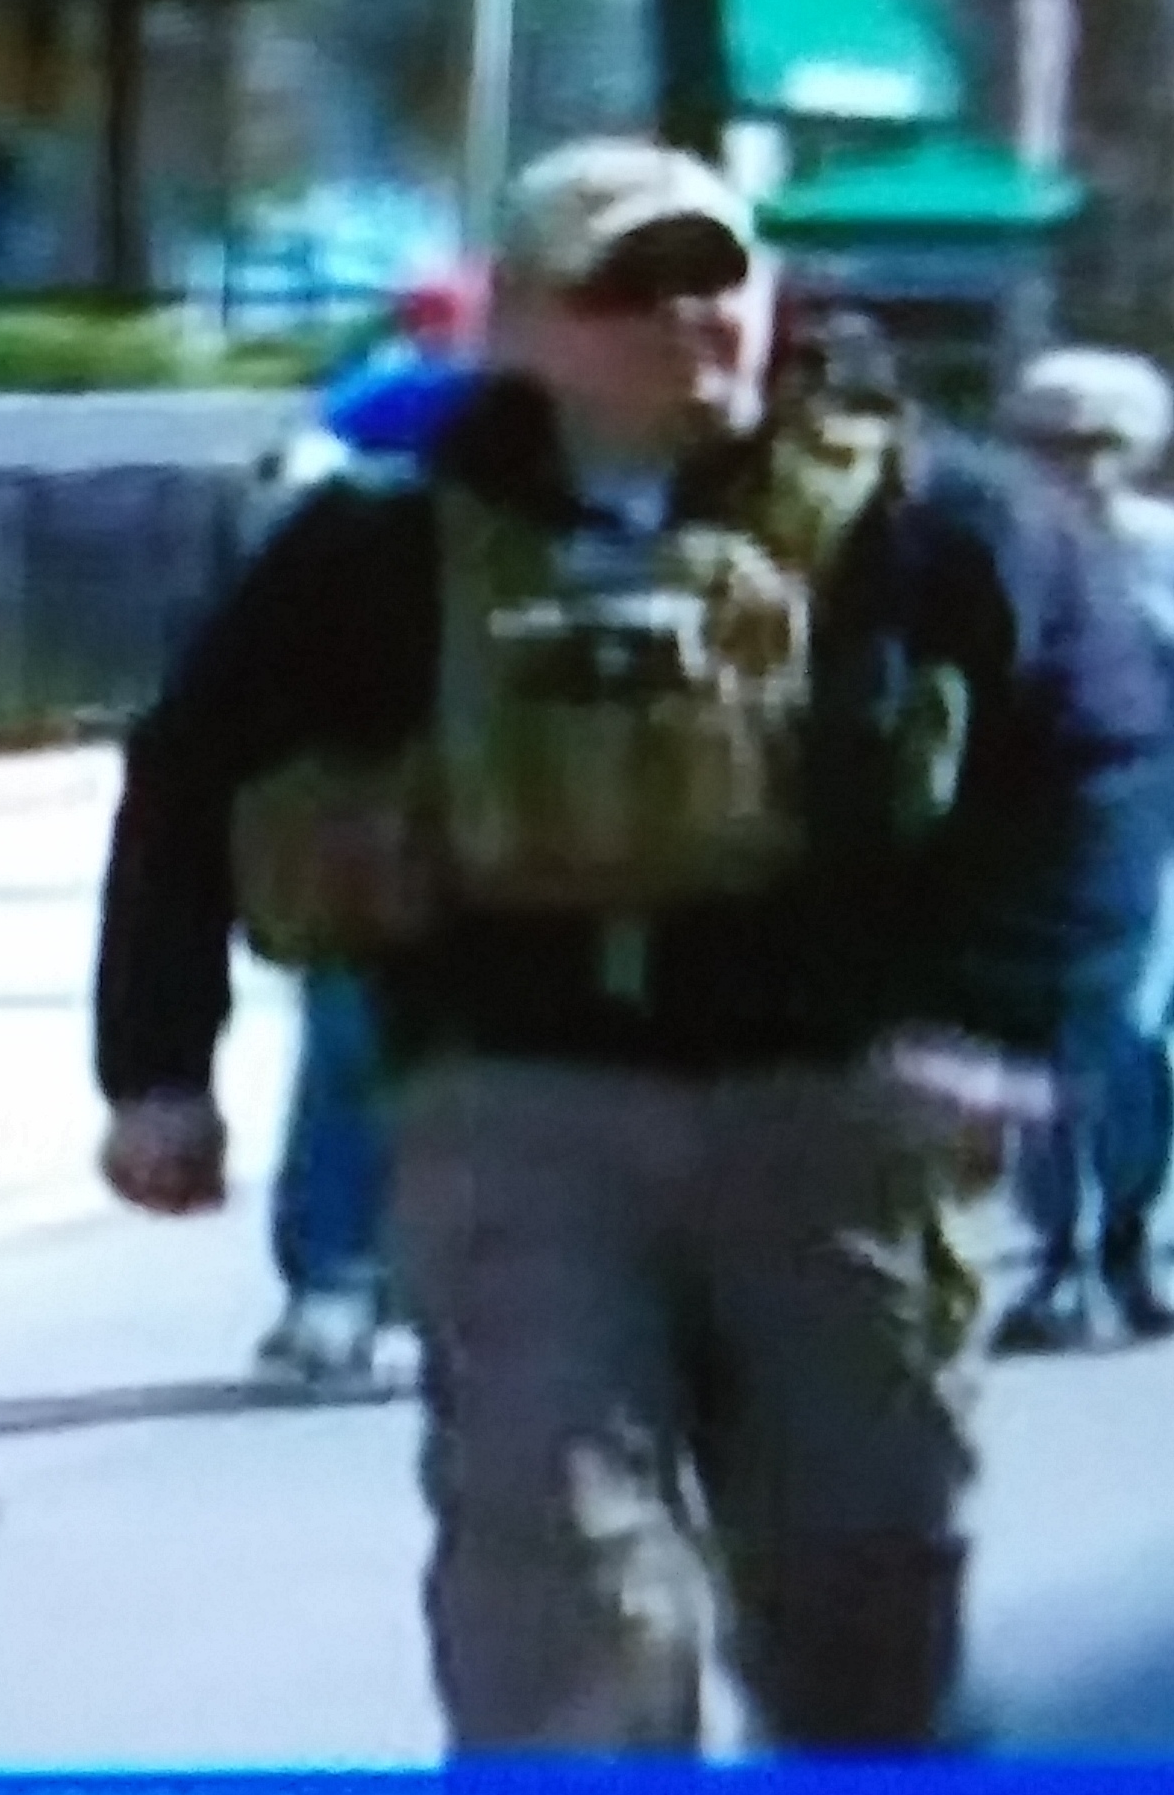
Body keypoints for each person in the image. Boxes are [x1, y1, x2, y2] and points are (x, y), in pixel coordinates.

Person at [91, 138, 1172, 1757]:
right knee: (558, 1566)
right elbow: (188, 778)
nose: (687, 317)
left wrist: (1002, 1021)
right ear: (521, 323)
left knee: (860, 1579)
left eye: (713, 276)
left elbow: (1099, 756)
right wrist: (155, 1071)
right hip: (515, 1105)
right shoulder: (380, 545)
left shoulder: (940, 520)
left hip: (843, 1110)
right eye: (627, 286)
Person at [253, 340, 485, 1383]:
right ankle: (339, 1275)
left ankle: (396, 1279)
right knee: (355, 1041)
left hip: (512, 819)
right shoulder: (393, 418)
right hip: (370, 809)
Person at [989, 346, 1174, 1352]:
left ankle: (1128, 1245)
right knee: (1048, 1049)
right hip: (1040, 839)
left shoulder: (1163, 553)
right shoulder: (1000, 546)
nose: (1078, 465)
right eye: (1053, 443)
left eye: (1100, 442)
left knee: (1132, 1039)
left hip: (1156, 832)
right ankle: (1055, 1258)